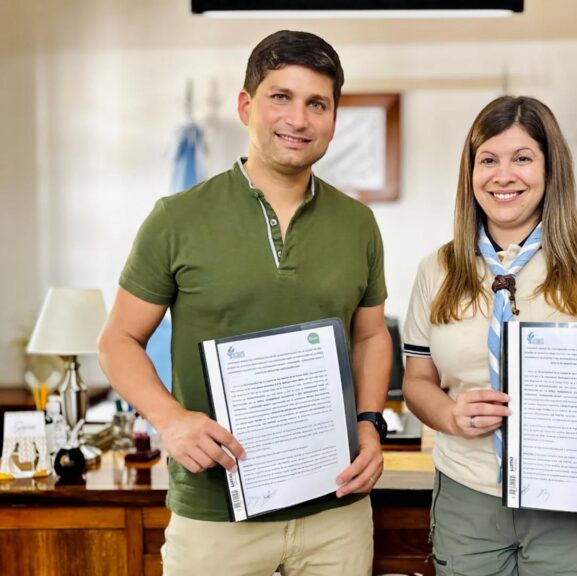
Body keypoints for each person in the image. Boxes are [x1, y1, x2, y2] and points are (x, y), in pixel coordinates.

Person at [98, 30, 391, 576]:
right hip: (215, 515)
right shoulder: (176, 218)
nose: (298, 119)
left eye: (316, 104)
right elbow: (118, 339)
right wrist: (171, 420)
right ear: (246, 105)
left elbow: (371, 335)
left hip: (337, 509)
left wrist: (370, 424)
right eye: (281, 97)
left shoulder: (358, 223)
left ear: (333, 118)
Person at [402, 95, 577, 575]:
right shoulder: (437, 269)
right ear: (470, 172)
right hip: (469, 497)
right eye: (488, 160)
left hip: (573, 500)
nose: (504, 176)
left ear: (549, 169)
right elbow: (417, 379)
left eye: (522, 158)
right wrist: (450, 415)